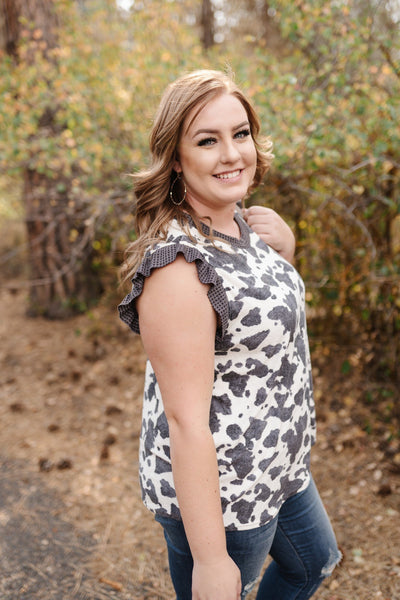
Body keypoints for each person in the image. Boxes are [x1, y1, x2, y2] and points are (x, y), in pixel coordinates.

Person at [118, 69, 341, 600]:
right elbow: (185, 421)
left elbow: (256, 325)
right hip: (227, 496)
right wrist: (212, 559)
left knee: (313, 564)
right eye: (207, 141)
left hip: (280, 465)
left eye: (240, 133)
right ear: (176, 158)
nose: (232, 154)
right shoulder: (178, 269)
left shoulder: (240, 221)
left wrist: (284, 253)